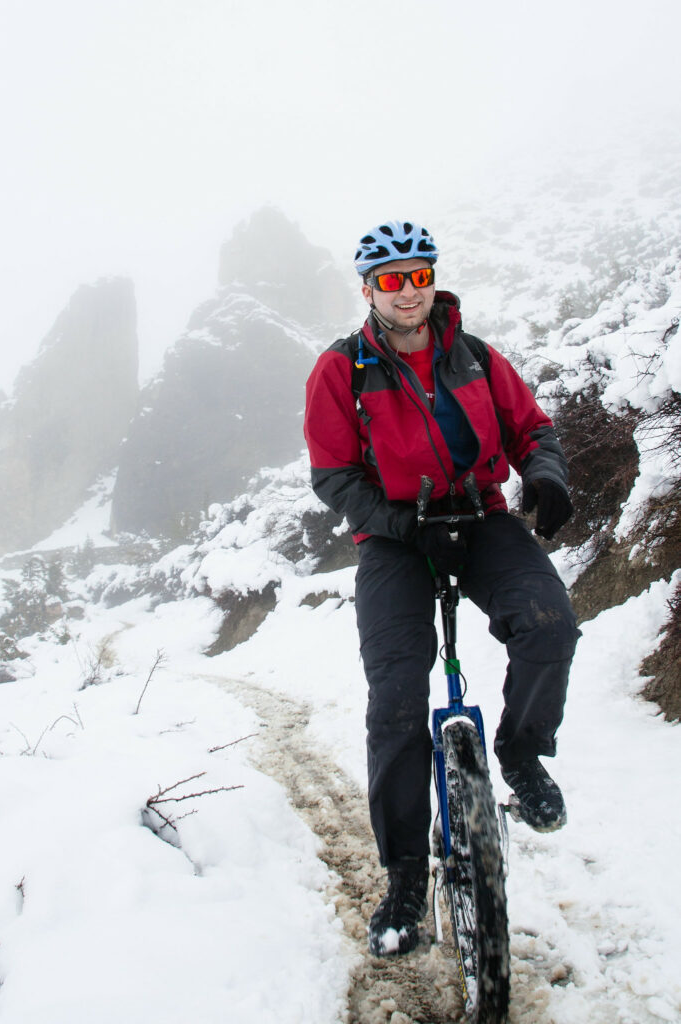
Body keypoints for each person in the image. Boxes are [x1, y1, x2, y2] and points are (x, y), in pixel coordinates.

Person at [303, 220, 580, 957]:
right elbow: (332, 475)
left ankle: (520, 753)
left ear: (431, 278)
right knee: (396, 698)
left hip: (480, 515)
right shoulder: (342, 370)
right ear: (368, 289)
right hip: (395, 539)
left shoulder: (476, 357)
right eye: (391, 280)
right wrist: (398, 523)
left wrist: (545, 474)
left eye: (418, 274)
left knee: (549, 623)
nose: (408, 291)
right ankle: (402, 876)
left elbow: (532, 430)